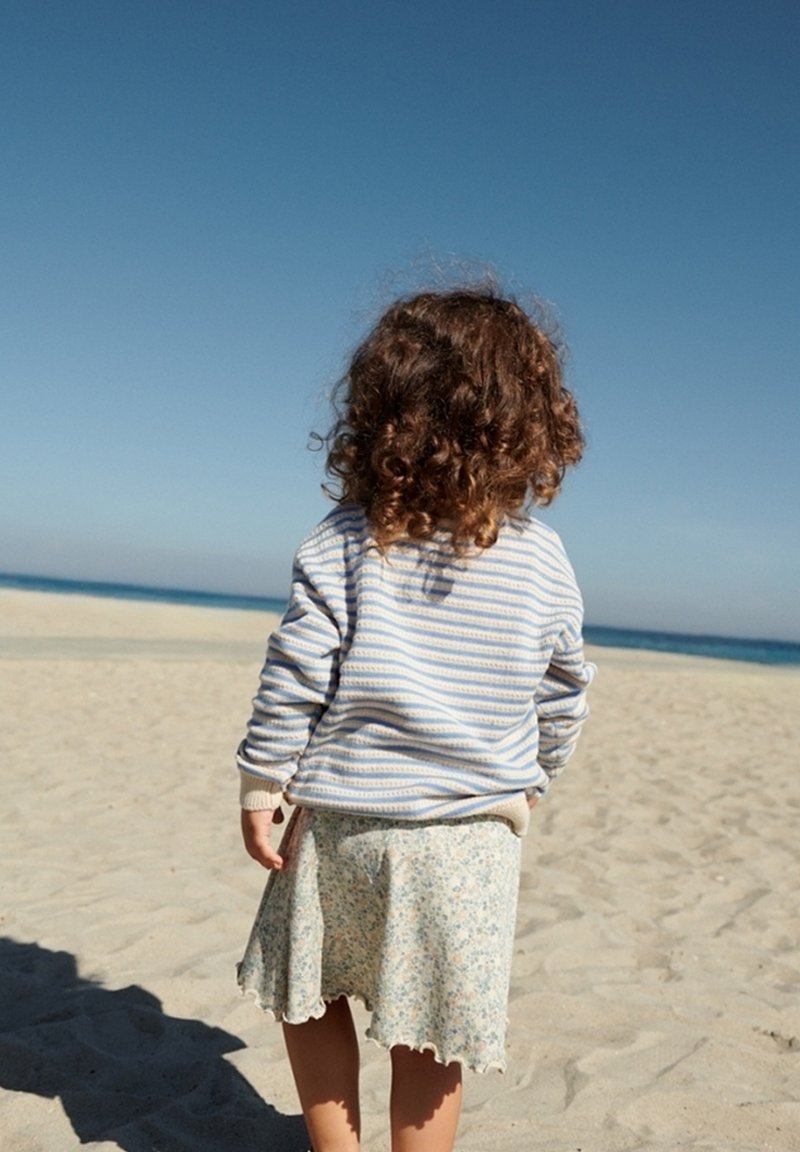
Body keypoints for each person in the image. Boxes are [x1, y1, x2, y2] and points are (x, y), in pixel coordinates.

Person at [236, 284, 595, 1152]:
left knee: (311, 991)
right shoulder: (542, 557)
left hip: (346, 822)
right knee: (428, 1025)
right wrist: (534, 775)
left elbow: (297, 669)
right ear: (529, 424)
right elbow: (566, 687)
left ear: (382, 410)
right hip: (468, 838)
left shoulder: (346, 537)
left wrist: (261, 780)